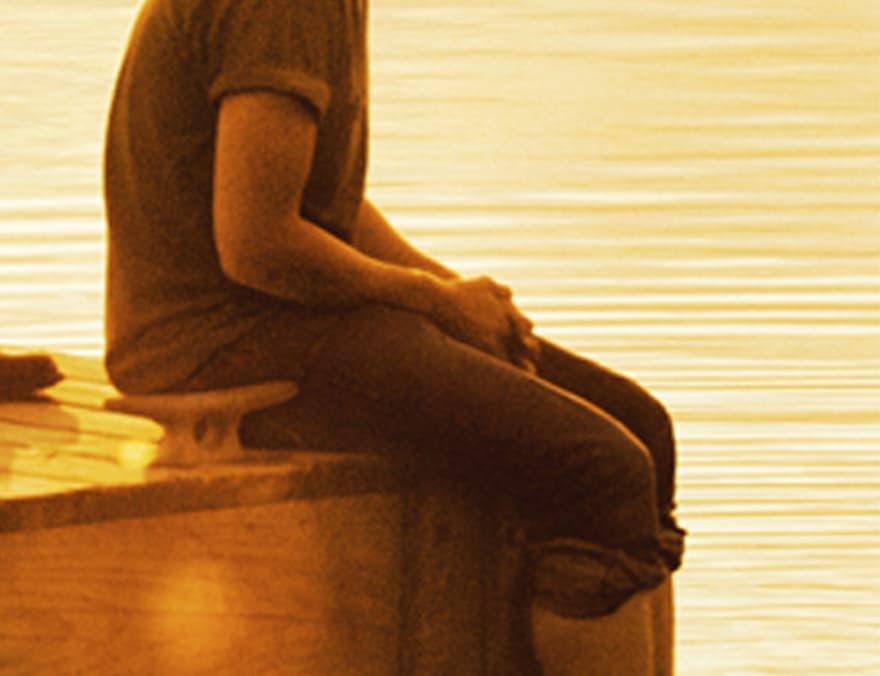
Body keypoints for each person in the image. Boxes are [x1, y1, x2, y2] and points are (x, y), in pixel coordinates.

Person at [101, 0, 684, 673]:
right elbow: (257, 246)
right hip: (216, 344)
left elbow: (324, 204)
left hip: (287, 320)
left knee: (640, 426)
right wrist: (428, 299)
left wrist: (452, 296)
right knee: (597, 469)